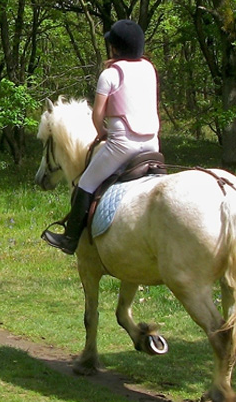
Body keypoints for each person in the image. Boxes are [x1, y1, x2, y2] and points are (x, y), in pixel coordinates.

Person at [42, 19, 160, 254]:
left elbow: (97, 116)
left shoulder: (110, 75)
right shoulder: (149, 69)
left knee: (85, 183)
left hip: (122, 145)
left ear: (115, 48)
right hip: (152, 143)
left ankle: (69, 238)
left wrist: (103, 133)